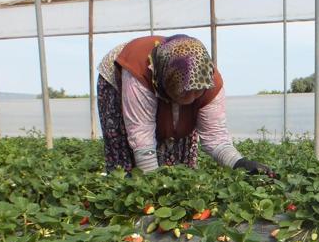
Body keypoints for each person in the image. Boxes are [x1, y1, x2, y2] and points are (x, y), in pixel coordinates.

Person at [97, 34, 272, 175]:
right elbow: (140, 132)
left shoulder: (209, 82)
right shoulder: (139, 74)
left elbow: (215, 136)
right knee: (129, 156)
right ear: (167, 82)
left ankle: (171, 183)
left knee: (180, 149)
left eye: (198, 91)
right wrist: (151, 183)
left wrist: (239, 163)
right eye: (186, 91)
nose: (193, 97)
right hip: (120, 78)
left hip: (171, 75)